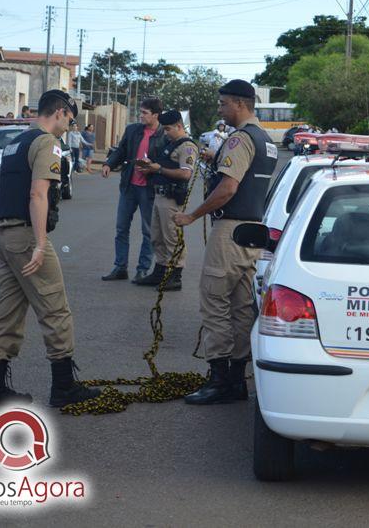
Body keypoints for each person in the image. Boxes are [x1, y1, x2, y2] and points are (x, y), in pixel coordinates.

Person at [0, 90, 101, 408]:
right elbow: (37, 194)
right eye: (69, 120)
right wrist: (41, 244)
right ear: (58, 112)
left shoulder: (15, 144)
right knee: (55, 310)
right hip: (27, 238)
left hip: (4, 236)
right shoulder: (48, 144)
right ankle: (64, 388)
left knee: (8, 315)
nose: (69, 127)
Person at [173, 79, 278, 405]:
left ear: (239, 104)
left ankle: (219, 379)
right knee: (241, 306)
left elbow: (228, 188)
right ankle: (236, 379)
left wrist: (192, 216)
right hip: (251, 232)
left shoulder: (240, 139)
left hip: (230, 231)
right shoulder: (266, 140)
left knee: (216, 304)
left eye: (223, 104)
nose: (220, 110)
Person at [100, 97, 165, 283]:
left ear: (155, 115)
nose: (140, 115)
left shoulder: (164, 135)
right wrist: (108, 164)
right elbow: (120, 151)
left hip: (149, 189)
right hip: (129, 186)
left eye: (144, 113)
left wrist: (153, 166)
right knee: (121, 228)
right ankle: (120, 267)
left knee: (148, 231)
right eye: (140, 112)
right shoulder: (133, 130)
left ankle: (142, 270)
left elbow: (167, 161)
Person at [135, 110, 199, 291]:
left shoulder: (186, 146)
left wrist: (159, 169)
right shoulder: (171, 143)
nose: (165, 132)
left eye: (169, 129)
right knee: (157, 236)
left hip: (172, 198)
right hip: (160, 195)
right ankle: (160, 271)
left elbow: (186, 174)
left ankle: (175, 276)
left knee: (172, 237)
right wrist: (151, 168)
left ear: (179, 126)